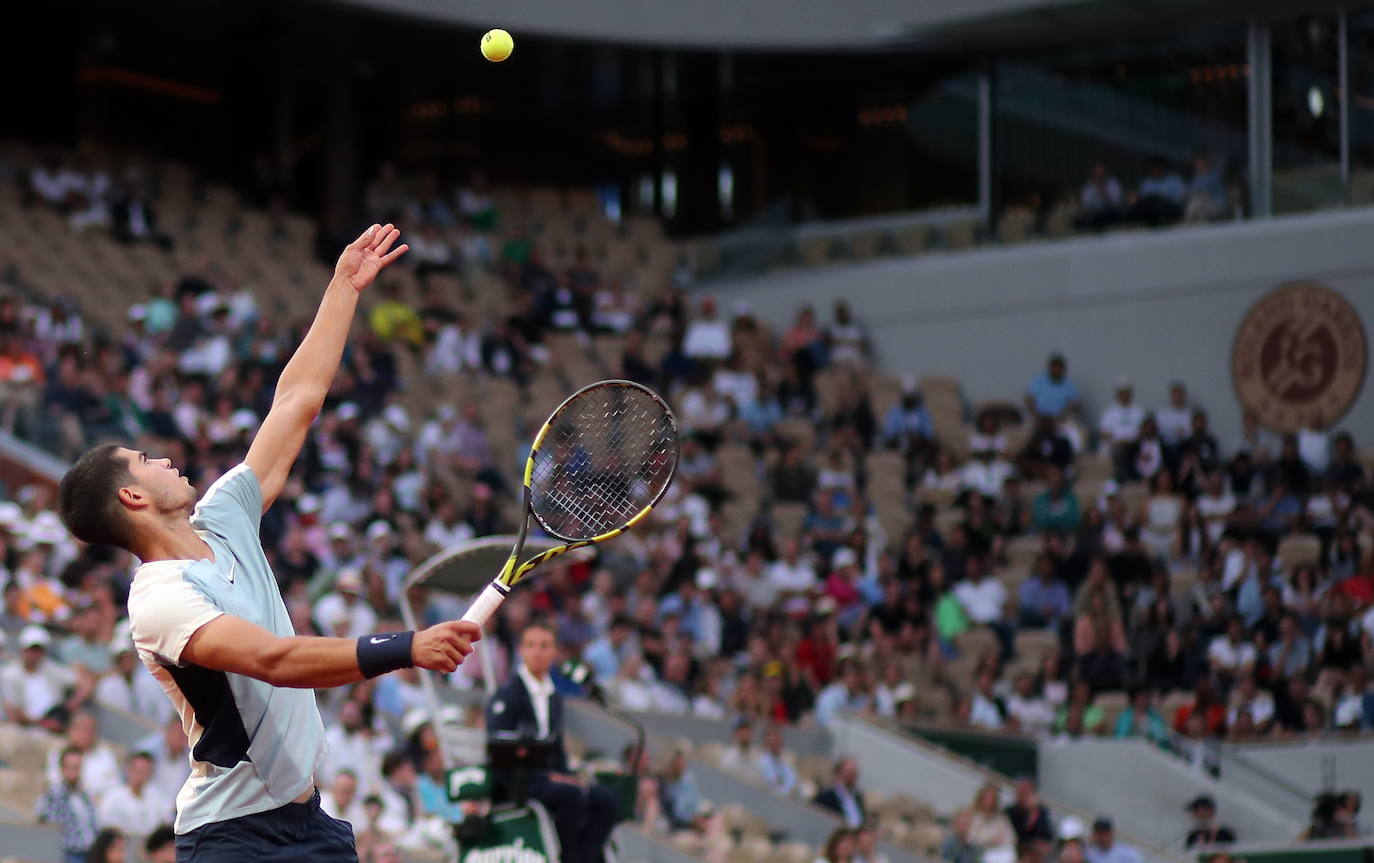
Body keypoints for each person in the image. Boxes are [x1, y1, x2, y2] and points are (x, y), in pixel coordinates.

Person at [55, 224, 481, 862]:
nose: (165, 460)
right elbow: (274, 661)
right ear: (132, 498)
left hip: (312, 826)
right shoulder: (158, 602)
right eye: (145, 459)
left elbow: (297, 402)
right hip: (232, 839)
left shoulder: (224, 512)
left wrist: (343, 288)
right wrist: (406, 647)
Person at [486, 621, 619, 863]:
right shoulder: (507, 695)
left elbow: (556, 749)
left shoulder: (553, 697)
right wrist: (549, 777)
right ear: (521, 651)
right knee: (571, 796)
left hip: (549, 778)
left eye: (544, 646)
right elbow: (501, 751)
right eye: (531, 645)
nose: (537, 652)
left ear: (555, 652)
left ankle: (585, 857)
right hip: (518, 781)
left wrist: (567, 774)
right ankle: (567, 857)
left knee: (606, 799)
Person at [36, 746, 100, 863]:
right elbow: (49, 824)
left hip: (91, 852)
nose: (73, 771)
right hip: (69, 853)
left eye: (76, 767)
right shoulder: (53, 794)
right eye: (69, 766)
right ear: (62, 768)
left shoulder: (85, 796)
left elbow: (94, 824)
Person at [97, 750, 170, 841]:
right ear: (128, 770)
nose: (141, 775)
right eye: (138, 770)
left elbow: (165, 822)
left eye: (145, 771)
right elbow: (106, 826)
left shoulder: (158, 798)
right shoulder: (113, 798)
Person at [814, 757, 866, 828]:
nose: (851, 777)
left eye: (854, 773)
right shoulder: (826, 797)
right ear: (838, 773)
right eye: (848, 772)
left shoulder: (857, 798)